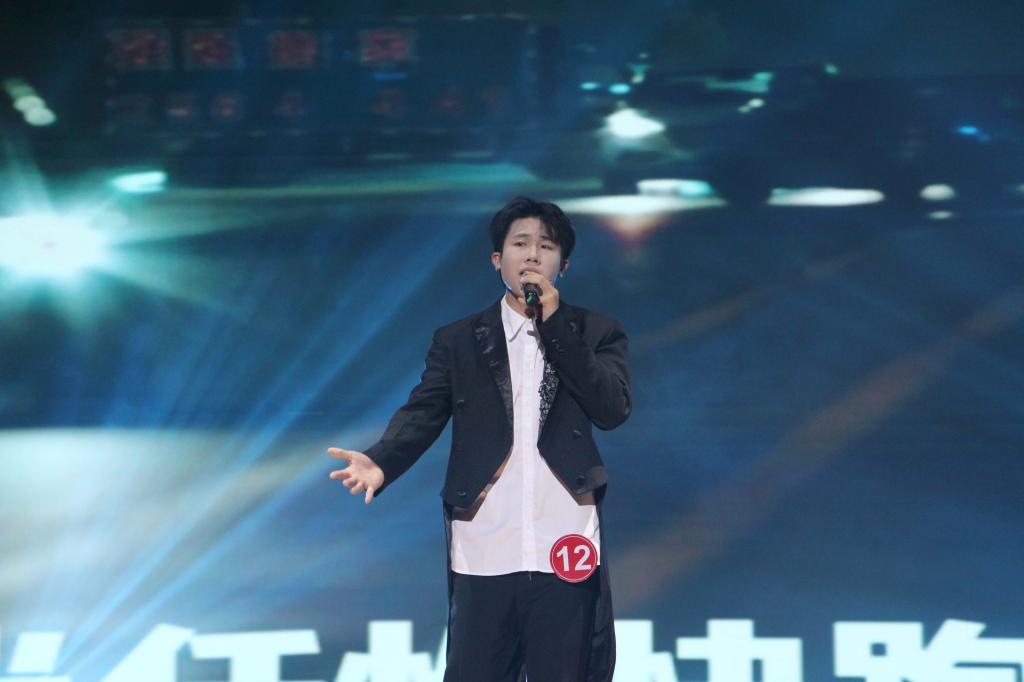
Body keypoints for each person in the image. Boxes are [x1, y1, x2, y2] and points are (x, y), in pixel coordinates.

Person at [327, 196, 631, 682]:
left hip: (566, 540)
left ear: (563, 265)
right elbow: (424, 411)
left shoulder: (596, 332)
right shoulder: (460, 339)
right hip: (485, 540)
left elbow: (611, 409)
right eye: (520, 244)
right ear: (497, 259)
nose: (532, 255)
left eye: (546, 246)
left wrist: (556, 326)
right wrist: (381, 461)